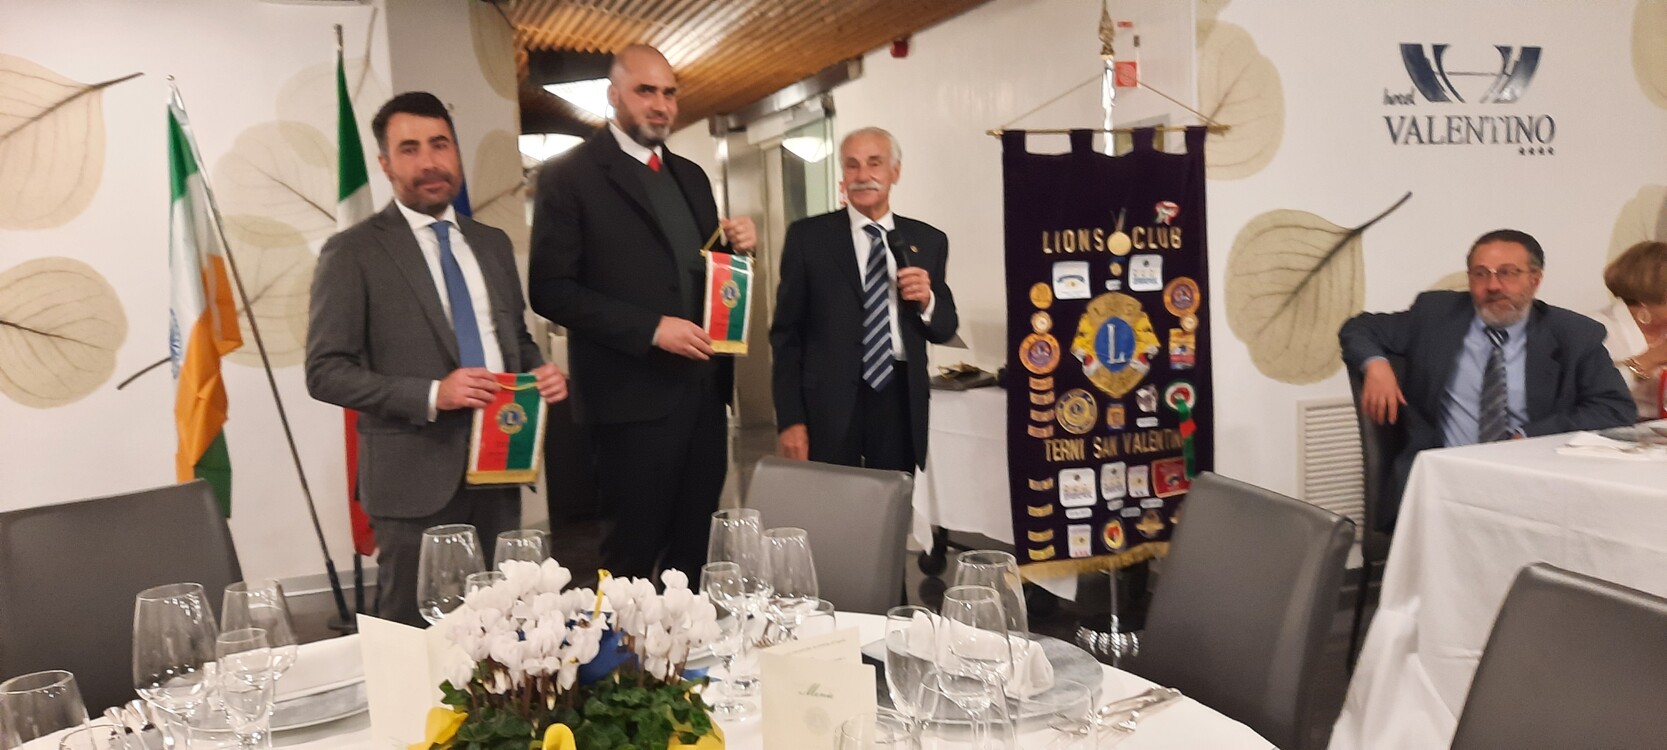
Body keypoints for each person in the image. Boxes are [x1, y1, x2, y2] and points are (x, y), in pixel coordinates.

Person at [306, 92, 568, 626]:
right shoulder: (353, 251)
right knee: (414, 635)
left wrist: (537, 370)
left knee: (503, 628)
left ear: (456, 152)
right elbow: (325, 371)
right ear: (385, 163)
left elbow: (513, 337)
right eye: (410, 149)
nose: (429, 161)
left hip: (500, 467)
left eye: (440, 144)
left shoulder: (492, 244)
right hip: (412, 483)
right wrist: (432, 394)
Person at [527, 45, 757, 579]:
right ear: (613, 96)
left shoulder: (693, 177)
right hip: (628, 403)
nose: (660, 104)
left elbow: (699, 273)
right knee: (631, 563)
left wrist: (738, 249)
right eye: (645, 91)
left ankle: (689, 637)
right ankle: (626, 640)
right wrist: (652, 329)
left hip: (704, 398)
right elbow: (550, 291)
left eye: (669, 93)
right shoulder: (569, 176)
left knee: (695, 557)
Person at [1339, 229, 1632, 531]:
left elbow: (1614, 408)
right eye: (1481, 274)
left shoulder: (1573, 334)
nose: (1493, 286)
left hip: (1533, 483)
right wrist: (1376, 365)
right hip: (1442, 482)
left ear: (1535, 279)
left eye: (1508, 273)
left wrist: (1530, 435)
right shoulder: (1435, 315)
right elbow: (1359, 328)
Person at [770, 127, 958, 472]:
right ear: (843, 174)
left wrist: (927, 300)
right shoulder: (808, 238)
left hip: (899, 398)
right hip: (828, 401)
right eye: (852, 165)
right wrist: (790, 419)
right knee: (831, 499)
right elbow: (786, 335)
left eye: (875, 163)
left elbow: (945, 327)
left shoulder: (928, 240)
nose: (862, 175)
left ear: (894, 172)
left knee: (892, 498)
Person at [1597, 240, 1667, 420]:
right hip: (1613, 429)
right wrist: (1650, 359)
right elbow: (1593, 392)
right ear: (1648, 296)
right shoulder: (1597, 328)